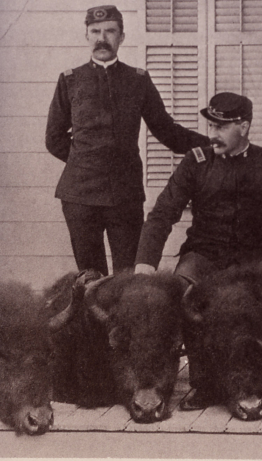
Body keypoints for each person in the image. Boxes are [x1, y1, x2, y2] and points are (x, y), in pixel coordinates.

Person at [45, 5, 208, 276]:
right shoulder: (70, 80)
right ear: (86, 36)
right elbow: (53, 139)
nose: (102, 38)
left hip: (125, 194)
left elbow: (166, 130)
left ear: (122, 37)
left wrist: (209, 145)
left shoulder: (138, 81)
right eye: (95, 31)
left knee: (127, 276)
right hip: (79, 196)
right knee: (89, 277)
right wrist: (85, 162)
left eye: (110, 31)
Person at [134, 91, 262, 289]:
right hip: (202, 256)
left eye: (221, 128)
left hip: (255, 256)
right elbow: (162, 214)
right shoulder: (195, 162)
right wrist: (145, 263)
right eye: (210, 126)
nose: (212, 135)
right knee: (179, 294)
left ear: (243, 128)